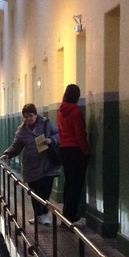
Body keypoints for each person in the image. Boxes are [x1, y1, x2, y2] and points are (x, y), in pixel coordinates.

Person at [0, 103, 60, 225]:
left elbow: (59, 135)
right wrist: (7, 154)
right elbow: (16, 146)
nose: (29, 119)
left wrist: (51, 140)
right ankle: (38, 215)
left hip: (47, 165)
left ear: (36, 114)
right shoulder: (22, 131)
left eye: (31, 116)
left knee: (45, 191)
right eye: (26, 116)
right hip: (31, 167)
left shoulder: (46, 124)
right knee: (34, 192)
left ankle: (44, 214)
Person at [57, 83, 91, 225]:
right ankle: (70, 215)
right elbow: (79, 134)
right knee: (76, 184)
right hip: (76, 150)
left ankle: (66, 214)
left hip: (64, 149)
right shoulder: (76, 111)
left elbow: (60, 131)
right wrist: (86, 151)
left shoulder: (60, 111)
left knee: (69, 182)